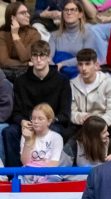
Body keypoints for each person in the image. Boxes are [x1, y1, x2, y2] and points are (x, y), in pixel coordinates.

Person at [3, 40, 72, 168]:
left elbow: (65, 114)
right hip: (28, 123)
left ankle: (47, 172)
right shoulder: (21, 81)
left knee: (54, 131)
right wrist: (22, 121)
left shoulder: (62, 81)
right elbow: (16, 112)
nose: (39, 59)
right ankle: (14, 175)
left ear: (48, 57)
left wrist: (47, 122)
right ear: (31, 58)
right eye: (35, 55)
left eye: (42, 55)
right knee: (9, 132)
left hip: (52, 123)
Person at [71, 48, 111, 127]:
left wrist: (95, 123)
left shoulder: (110, 84)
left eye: (87, 64)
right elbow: (71, 112)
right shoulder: (72, 84)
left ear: (96, 65)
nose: (84, 68)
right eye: (80, 64)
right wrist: (80, 117)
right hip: (80, 126)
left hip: (104, 128)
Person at [49, 1, 99, 79]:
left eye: (73, 10)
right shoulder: (54, 35)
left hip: (81, 75)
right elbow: (49, 58)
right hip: (57, 75)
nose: (69, 12)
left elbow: (87, 58)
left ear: (80, 14)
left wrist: (62, 64)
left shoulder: (88, 34)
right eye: (66, 10)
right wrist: (54, 69)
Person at [58, 115, 111, 181]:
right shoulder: (72, 146)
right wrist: (88, 177)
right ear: (94, 136)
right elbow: (62, 173)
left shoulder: (106, 141)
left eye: (107, 131)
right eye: (104, 132)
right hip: (78, 185)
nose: (108, 134)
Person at [20, 103, 64, 184]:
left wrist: (39, 174)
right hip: (29, 173)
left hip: (48, 173)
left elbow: (54, 163)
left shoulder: (57, 137)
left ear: (49, 121)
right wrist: (27, 140)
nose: (36, 121)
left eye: (40, 119)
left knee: (54, 178)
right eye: (33, 118)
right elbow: (25, 162)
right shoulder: (25, 135)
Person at [0, 2, 41, 76]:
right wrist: (27, 64)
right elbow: (4, 61)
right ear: (12, 17)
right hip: (6, 73)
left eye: (27, 12)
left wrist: (15, 35)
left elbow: (24, 57)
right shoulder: (2, 34)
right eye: (23, 13)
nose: (28, 15)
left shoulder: (34, 34)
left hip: (27, 73)